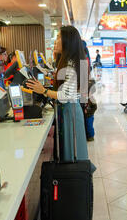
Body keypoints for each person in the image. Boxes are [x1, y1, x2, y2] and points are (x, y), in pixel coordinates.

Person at [26, 26, 96, 172]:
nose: (55, 41)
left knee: (73, 151)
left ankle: (75, 179)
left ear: (67, 41)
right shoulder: (70, 62)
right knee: (72, 149)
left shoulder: (70, 65)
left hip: (70, 111)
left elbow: (65, 95)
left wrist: (43, 91)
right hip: (70, 110)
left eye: (58, 37)